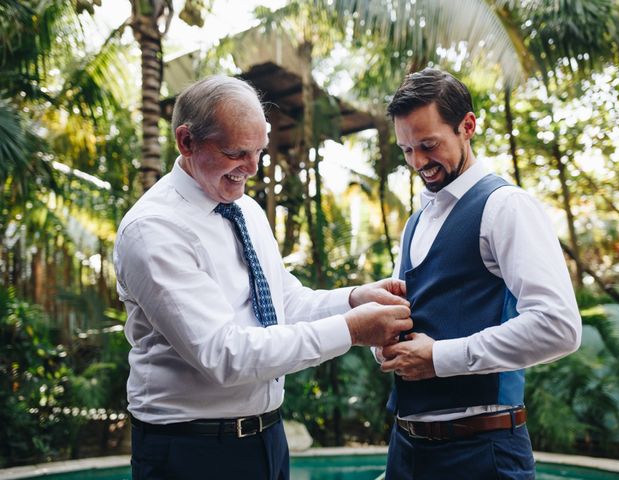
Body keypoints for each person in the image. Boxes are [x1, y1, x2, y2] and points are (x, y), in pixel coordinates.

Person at [113, 75, 413, 480]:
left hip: (267, 440)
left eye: (258, 152)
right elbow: (224, 355)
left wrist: (354, 299)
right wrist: (352, 331)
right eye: (236, 152)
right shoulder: (153, 230)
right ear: (187, 142)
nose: (252, 168)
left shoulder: (245, 209)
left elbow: (283, 303)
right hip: (192, 451)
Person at [377, 68, 582, 479]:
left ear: (467, 126)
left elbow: (558, 327)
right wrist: (384, 342)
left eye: (428, 145)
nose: (417, 162)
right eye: (406, 150)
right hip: (407, 452)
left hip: (481, 453)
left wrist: (439, 357)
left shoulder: (506, 207)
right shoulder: (415, 222)